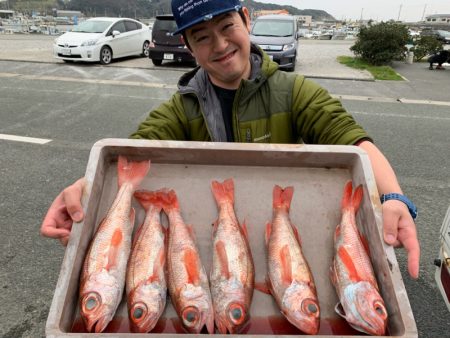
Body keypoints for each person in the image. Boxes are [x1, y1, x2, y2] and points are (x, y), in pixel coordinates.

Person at [40, 0, 420, 279]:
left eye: (226, 27)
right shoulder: (182, 106)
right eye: (202, 37)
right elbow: (130, 152)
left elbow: (354, 141)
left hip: (285, 225)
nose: (220, 45)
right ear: (189, 47)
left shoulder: (294, 90)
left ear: (246, 19)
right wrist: (84, 186)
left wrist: (393, 196)